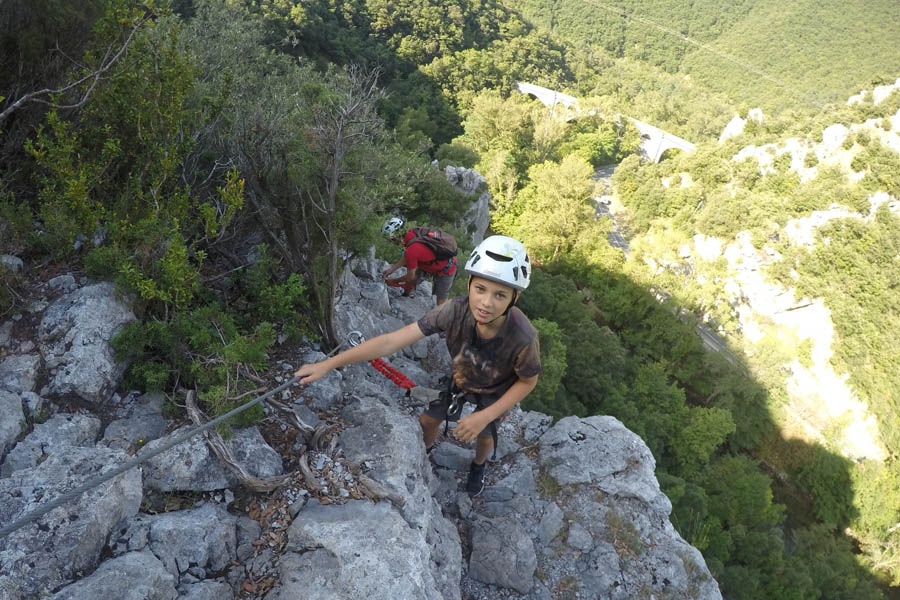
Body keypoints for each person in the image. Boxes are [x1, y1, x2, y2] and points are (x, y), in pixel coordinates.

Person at [296, 235, 541, 497]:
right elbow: (391, 341)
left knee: (484, 435)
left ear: (513, 299)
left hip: (497, 390)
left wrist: (485, 416)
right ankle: (424, 453)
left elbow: (528, 380)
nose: (486, 303)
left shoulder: (523, 337)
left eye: (500, 295)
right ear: (469, 283)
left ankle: (478, 466)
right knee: (427, 420)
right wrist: (328, 364)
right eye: (480, 289)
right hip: (461, 378)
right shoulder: (453, 311)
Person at [381, 218, 457, 306]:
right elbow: (408, 256)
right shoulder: (413, 234)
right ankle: (407, 296)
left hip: (447, 269)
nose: (392, 243)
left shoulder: (412, 250)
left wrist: (394, 281)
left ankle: (444, 318)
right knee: (410, 287)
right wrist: (391, 270)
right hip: (428, 264)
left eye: (391, 241)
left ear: (395, 237)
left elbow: (410, 277)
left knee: (440, 302)